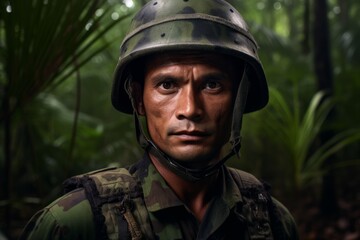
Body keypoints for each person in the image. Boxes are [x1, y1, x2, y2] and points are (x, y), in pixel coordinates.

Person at [21, 0, 299, 239]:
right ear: (138, 99)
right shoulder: (76, 223)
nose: (190, 109)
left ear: (239, 100)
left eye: (212, 84)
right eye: (167, 85)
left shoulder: (272, 221)